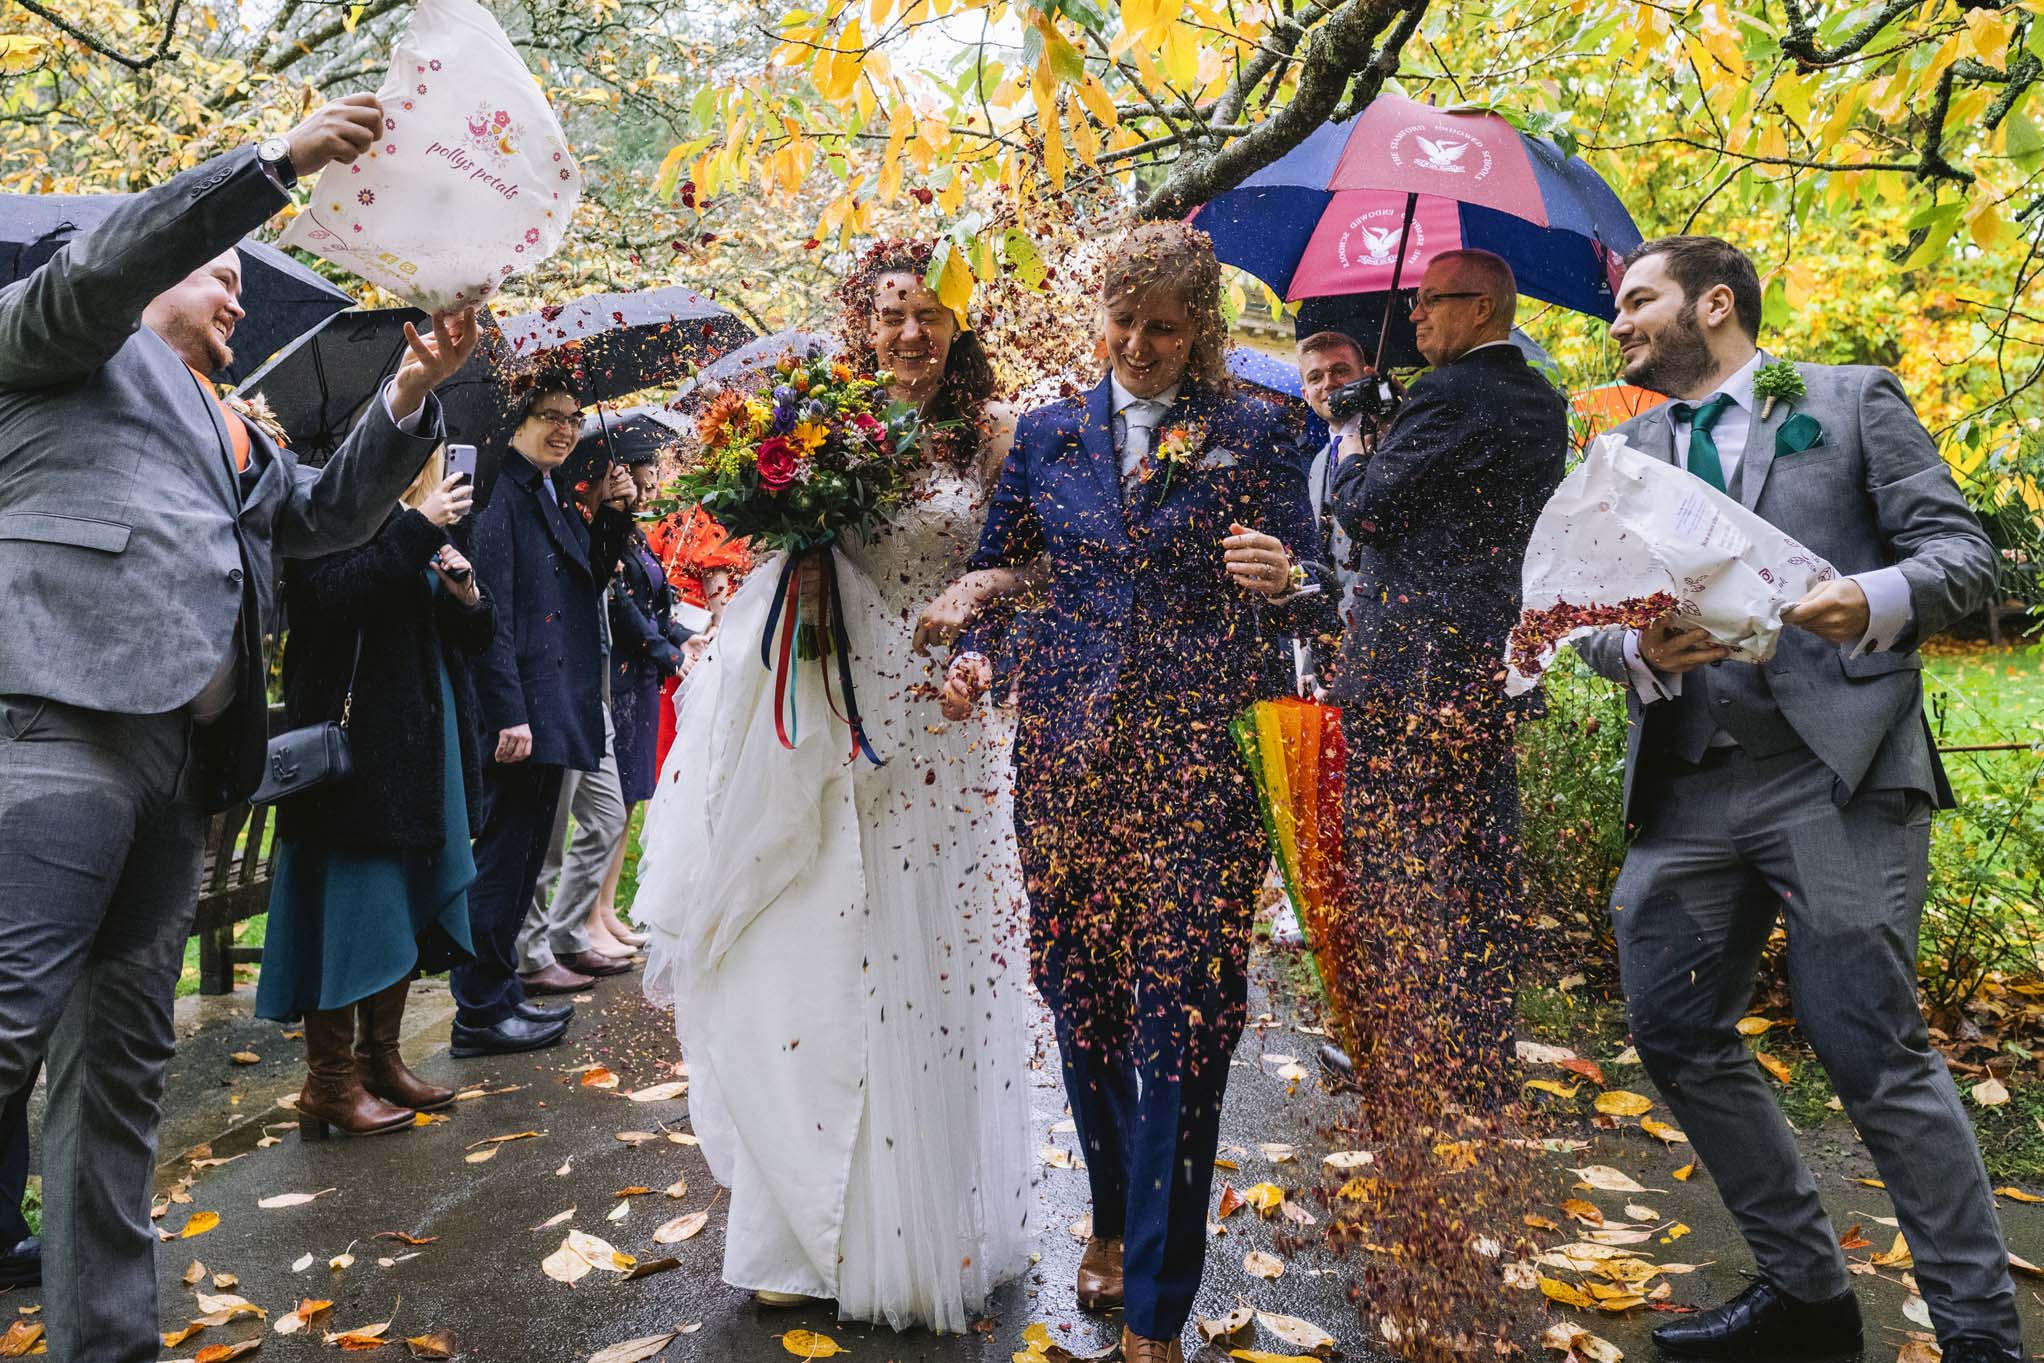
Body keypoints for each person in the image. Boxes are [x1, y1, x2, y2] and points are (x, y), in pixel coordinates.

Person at [0, 97, 476, 1363]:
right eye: (214, 272)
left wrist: (411, 393)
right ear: (145, 264)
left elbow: (318, 520)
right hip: (52, 724)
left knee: (121, 1074)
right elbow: (111, 258)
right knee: (3, 1032)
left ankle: (108, 1343)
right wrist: (275, 167)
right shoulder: (50, 343)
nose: (234, 298)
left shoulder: (233, 421)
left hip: (183, 766)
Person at [1574, 236, 2012, 1363]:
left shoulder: (1848, 401)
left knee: (1871, 1049)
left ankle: (1978, 1338)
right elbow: (1577, 621)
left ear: (1713, 304)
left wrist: (1860, 598)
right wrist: (1635, 646)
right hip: (1687, 789)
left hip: (1837, 775)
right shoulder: (1619, 450)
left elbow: (1965, 560)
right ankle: (1807, 1298)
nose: (1616, 323)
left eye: (1637, 301)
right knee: (1673, 1028)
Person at [941, 222, 1325, 1363]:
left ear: (1200, 326)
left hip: (1202, 769)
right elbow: (1009, 576)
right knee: (1080, 994)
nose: (1139, 343)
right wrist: (975, 646)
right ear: (1096, 314)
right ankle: (1110, 1210)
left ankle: (1158, 1299)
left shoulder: (1264, 429)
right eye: (1123, 321)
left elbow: (1315, 579)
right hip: (1063, 760)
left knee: (1186, 1020)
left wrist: (1292, 579)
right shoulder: (1050, 435)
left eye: (1163, 326)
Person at [633, 240, 1032, 1332]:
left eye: (931, 316)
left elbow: (1024, 567)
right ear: (860, 324)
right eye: (891, 315)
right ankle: (799, 1228)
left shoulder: (993, 437)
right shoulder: (811, 426)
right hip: (816, 718)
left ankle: (915, 1231)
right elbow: (768, 560)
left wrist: (983, 644)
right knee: (805, 952)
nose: (911, 333)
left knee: (924, 967)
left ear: (959, 325)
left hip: (940, 733)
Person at [1323, 251, 1568, 1115]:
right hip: (1484, 671)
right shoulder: (1544, 401)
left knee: (1391, 863)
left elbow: (1364, 507)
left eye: (1431, 302)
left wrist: (1355, 433)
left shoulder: (1450, 394)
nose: (1417, 316)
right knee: (1476, 865)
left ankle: (1396, 1054)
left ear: (1484, 307)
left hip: (1404, 670)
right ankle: (1479, 1056)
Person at [258, 454, 494, 1138]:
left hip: (419, 746)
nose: (427, 459)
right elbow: (332, 596)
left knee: (401, 897)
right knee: (351, 904)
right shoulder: (321, 516)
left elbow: (472, 637)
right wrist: (416, 530)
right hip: (355, 753)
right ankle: (329, 1082)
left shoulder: (416, 523)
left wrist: (466, 591)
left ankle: (380, 1059)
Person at [457, 383, 635, 1055]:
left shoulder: (549, 491)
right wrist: (508, 711)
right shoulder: (502, 495)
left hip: (554, 708)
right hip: (521, 714)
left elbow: (584, 575)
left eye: (572, 417)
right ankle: (477, 1011)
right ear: (517, 422)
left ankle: (502, 993)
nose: (564, 429)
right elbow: (490, 610)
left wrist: (614, 516)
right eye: (548, 417)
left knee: (527, 859)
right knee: (503, 865)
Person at [515, 432, 642, 980]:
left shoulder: (573, 514)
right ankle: (532, 951)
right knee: (548, 831)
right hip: (558, 693)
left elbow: (592, 576)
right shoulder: (537, 505)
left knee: (609, 815)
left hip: (594, 696)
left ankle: (568, 930)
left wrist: (616, 513)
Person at [597, 437, 697, 944]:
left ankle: (606, 907)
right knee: (616, 797)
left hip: (643, 675)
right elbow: (624, 610)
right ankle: (594, 910)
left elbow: (658, 608)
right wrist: (672, 656)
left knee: (631, 795)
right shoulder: (613, 536)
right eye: (649, 472)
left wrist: (684, 637)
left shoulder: (639, 536)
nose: (656, 480)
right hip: (623, 675)